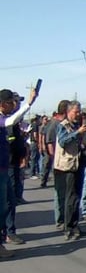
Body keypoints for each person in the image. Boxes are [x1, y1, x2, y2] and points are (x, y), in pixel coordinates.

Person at [0, 88, 37, 256]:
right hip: (2, 169)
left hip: (5, 167)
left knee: (8, 202)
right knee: (3, 206)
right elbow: (10, 122)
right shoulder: (3, 120)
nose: (14, 104)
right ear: (2, 104)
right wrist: (29, 104)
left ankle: (4, 238)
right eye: (11, 102)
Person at [54, 100, 86, 241]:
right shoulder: (63, 126)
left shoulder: (77, 125)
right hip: (67, 166)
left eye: (79, 111)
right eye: (76, 112)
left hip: (78, 162)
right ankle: (68, 227)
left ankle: (75, 225)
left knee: (77, 197)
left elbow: (78, 143)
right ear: (69, 112)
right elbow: (63, 141)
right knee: (70, 198)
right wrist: (77, 133)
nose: (78, 114)